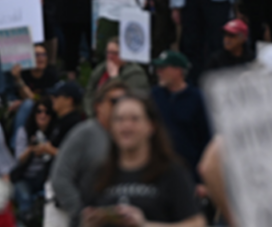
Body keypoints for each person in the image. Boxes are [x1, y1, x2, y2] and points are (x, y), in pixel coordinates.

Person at [81, 92, 205, 227]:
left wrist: (145, 225)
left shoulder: (172, 172)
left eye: (134, 119)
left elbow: (197, 223)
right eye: (119, 119)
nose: (126, 126)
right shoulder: (99, 174)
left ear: (151, 126)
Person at [48, 80, 129, 227]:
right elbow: (60, 177)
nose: (120, 106)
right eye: (114, 101)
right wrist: (80, 212)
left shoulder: (132, 137)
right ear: (99, 106)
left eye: (126, 101)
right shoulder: (84, 133)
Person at [150, 51, 212, 186]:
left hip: (188, 174)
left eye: (163, 68)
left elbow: (206, 140)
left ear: (177, 71)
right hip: (157, 172)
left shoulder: (197, 99)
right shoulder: (154, 95)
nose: (158, 72)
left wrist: (202, 180)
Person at [11, 99, 55, 224]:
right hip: (24, 177)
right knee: (25, 198)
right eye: (39, 111)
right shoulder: (24, 131)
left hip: (44, 177)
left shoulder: (54, 133)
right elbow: (19, 159)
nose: (43, 115)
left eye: (47, 112)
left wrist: (47, 150)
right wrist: (30, 149)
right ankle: (27, 219)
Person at [7, 43, 59, 146]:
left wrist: (19, 81)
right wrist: (17, 78)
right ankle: (16, 145)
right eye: (37, 55)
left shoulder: (51, 75)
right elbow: (20, 95)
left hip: (44, 110)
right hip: (24, 113)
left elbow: (41, 100)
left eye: (44, 55)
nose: (41, 58)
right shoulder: (24, 73)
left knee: (27, 104)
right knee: (27, 105)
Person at [84, 38, 148, 114]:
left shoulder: (135, 73)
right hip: (98, 116)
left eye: (115, 53)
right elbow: (89, 92)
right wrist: (91, 113)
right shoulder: (101, 69)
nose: (110, 56)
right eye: (108, 52)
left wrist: (115, 77)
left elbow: (127, 100)